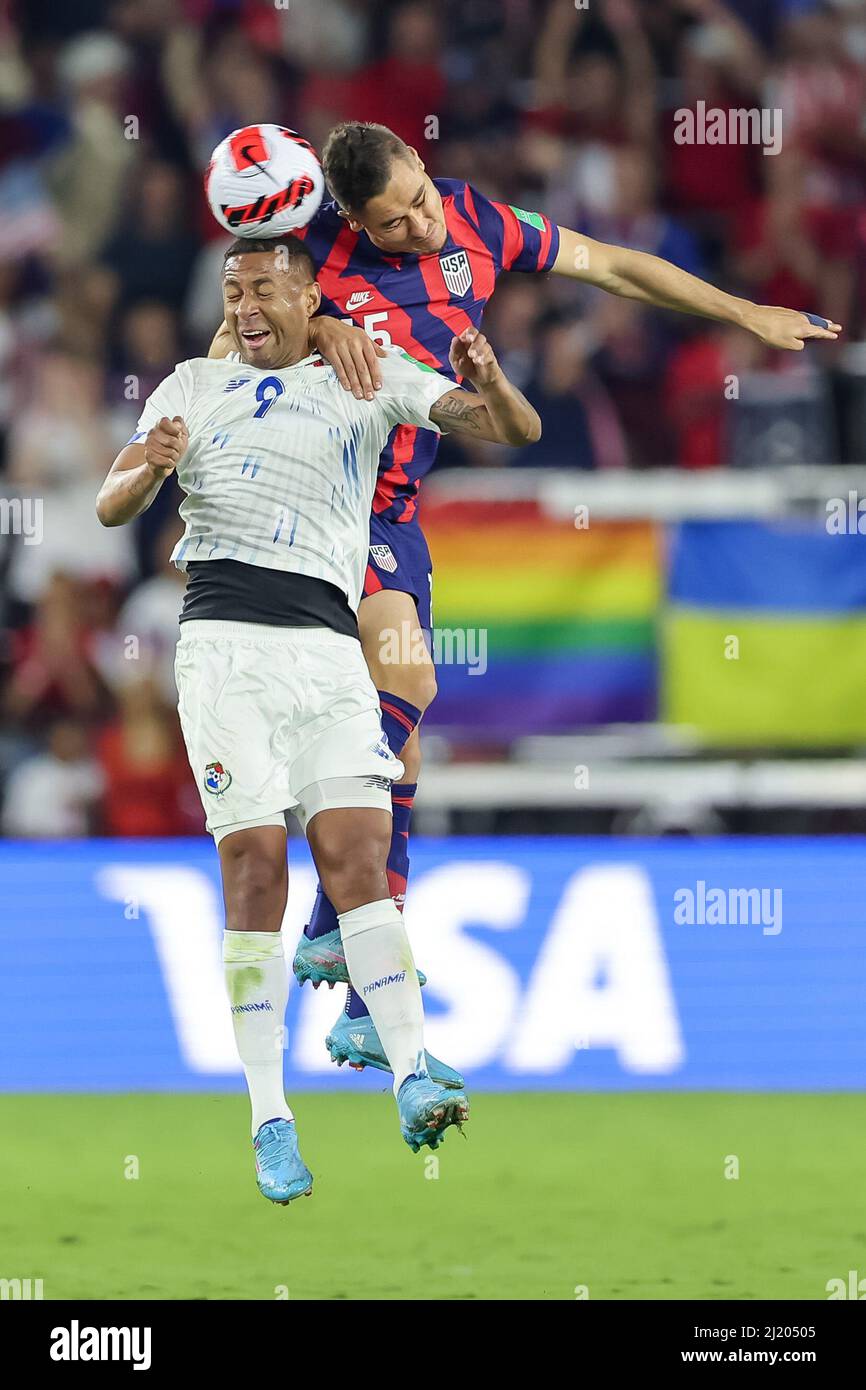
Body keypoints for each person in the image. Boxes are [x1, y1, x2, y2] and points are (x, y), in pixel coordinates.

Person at [209, 120, 840, 1078]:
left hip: (395, 510)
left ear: (426, 167)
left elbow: (618, 267)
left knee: (407, 722)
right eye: (392, 225)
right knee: (397, 691)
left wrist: (744, 312)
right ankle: (341, 933)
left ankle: (347, 940)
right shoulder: (307, 260)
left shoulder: (478, 219)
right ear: (347, 218)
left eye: (419, 202)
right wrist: (313, 324)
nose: (419, 229)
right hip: (316, 513)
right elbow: (228, 353)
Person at [96, 233, 540, 1204]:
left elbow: (510, 428)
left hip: (327, 651)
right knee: (254, 869)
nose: (244, 305)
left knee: (354, 857)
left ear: (310, 299)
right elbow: (107, 504)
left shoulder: (366, 372)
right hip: (224, 651)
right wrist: (149, 469)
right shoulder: (189, 385)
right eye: (230, 289)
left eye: (264, 288)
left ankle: (411, 1070)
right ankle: (268, 1116)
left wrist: (489, 377)